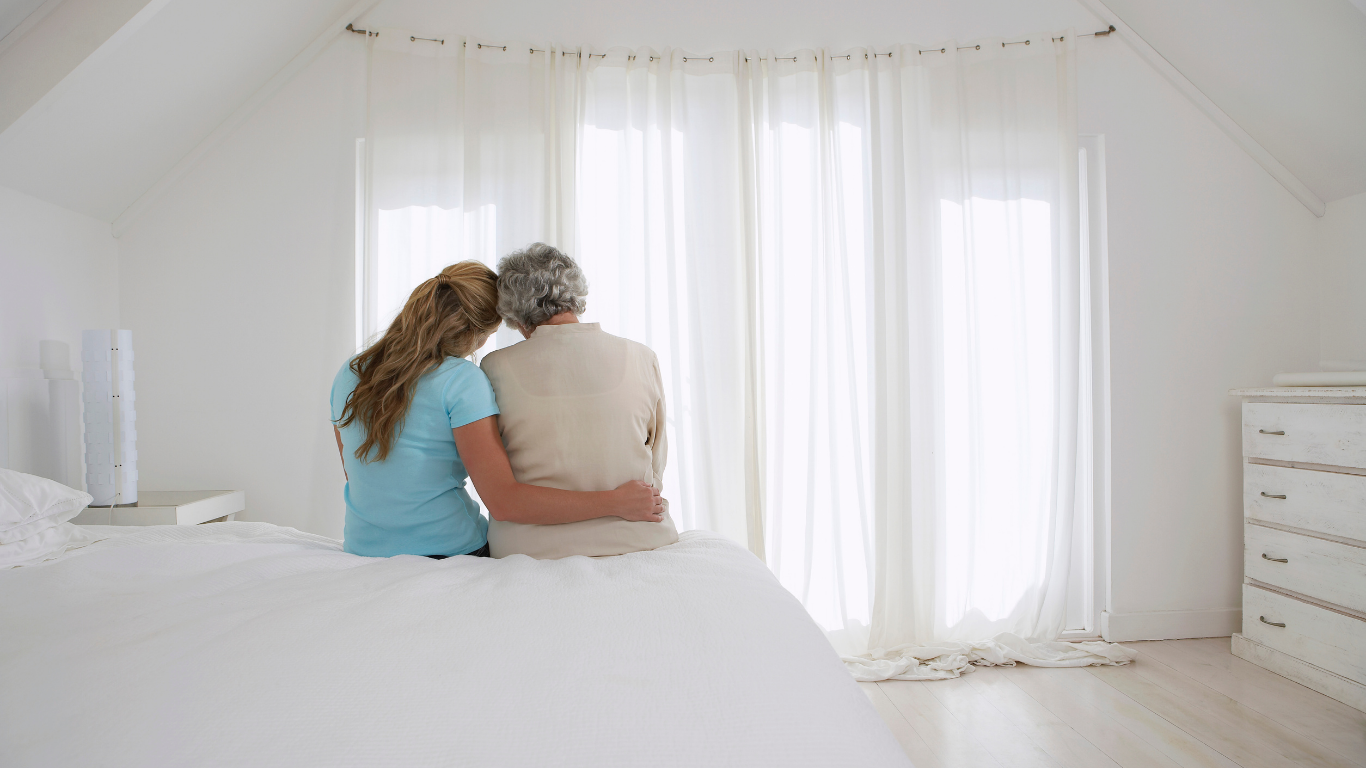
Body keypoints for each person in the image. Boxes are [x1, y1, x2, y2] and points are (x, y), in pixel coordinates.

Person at [330, 260, 663, 559]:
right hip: (449, 548)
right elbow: (505, 502)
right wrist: (616, 502)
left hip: (363, 545)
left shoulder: (350, 371)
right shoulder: (461, 380)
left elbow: (356, 471)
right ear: (475, 334)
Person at [481, 244, 680, 559]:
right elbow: (656, 461)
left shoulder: (494, 366)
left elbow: (498, 480)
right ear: (576, 294)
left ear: (514, 314)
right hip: (636, 536)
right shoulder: (642, 357)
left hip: (530, 549)